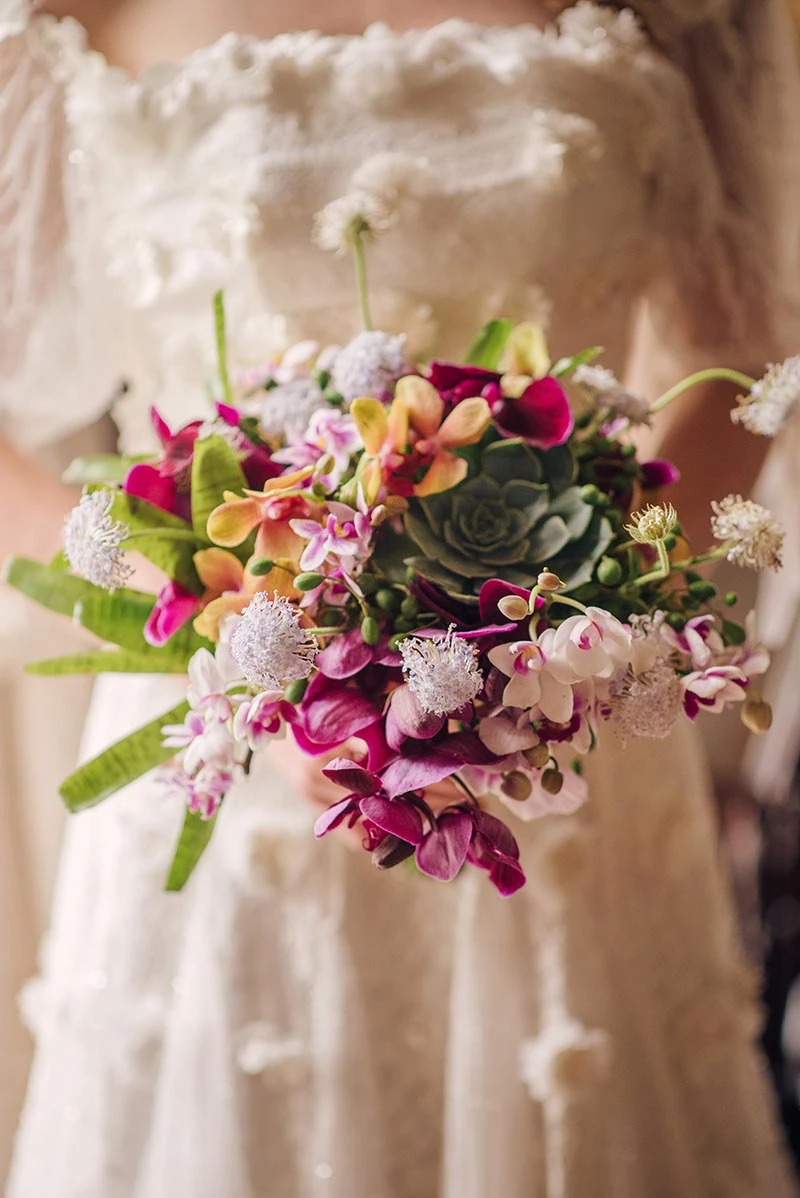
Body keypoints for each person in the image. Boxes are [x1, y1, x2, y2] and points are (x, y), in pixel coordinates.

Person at [2, 1, 799, 1194]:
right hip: (220, 749)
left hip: (553, 751)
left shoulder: (694, 14)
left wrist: (542, 652)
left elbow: (741, 345)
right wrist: (252, 655)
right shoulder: (48, 18)